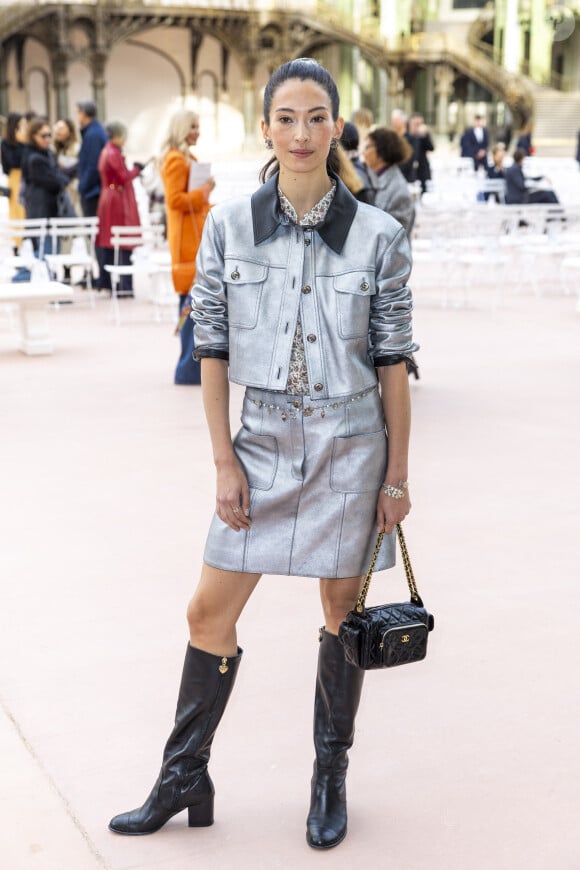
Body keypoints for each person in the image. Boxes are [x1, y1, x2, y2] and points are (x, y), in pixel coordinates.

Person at [108, 57, 416, 851]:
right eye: (287, 117)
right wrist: (223, 460)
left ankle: (328, 774)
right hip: (262, 444)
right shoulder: (229, 224)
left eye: (318, 117)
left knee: (339, 615)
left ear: (337, 126)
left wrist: (397, 476)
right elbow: (209, 342)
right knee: (208, 612)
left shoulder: (379, 235)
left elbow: (393, 362)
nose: (303, 133)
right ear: (269, 126)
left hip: (352, 450)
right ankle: (183, 777)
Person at [159, 108, 214, 385]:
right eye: (192, 126)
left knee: (193, 308)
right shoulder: (175, 160)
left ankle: (190, 369)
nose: (197, 131)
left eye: (197, 126)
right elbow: (174, 201)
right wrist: (202, 192)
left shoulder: (187, 158)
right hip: (186, 245)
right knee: (190, 309)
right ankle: (186, 370)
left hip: (196, 238)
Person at [95, 120, 143, 297]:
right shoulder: (113, 152)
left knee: (110, 240)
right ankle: (124, 285)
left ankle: (110, 282)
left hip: (110, 198)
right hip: (116, 201)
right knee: (121, 240)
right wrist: (137, 170)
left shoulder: (108, 150)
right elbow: (122, 177)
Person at [21, 117, 70, 253]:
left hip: (50, 211)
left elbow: (58, 176)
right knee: (44, 253)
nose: (47, 139)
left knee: (51, 251)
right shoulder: (33, 157)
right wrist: (61, 179)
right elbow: (55, 181)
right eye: (43, 136)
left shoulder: (46, 153)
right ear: (33, 136)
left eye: (49, 135)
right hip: (40, 211)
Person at [361, 127, 415, 237]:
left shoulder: (398, 190)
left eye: (368, 147)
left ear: (381, 151)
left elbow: (393, 237)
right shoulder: (370, 177)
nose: (364, 152)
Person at [76, 100, 107, 218]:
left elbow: (93, 164)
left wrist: (83, 186)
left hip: (93, 191)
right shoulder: (93, 131)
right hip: (93, 189)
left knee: (93, 228)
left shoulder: (93, 134)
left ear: (83, 113)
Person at [1, 112, 28, 226]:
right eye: (22, 125)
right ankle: (19, 241)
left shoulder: (26, 141)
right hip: (15, 178)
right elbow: (11, 163)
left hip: (27, 176)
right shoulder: (7, 143)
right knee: (17, 211)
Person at [53, 118, 80, 215]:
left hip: (74, 190)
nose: (57, 131)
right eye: (56, 127)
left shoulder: (77, 148)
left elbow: (77, 168)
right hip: (61, 190)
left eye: (61, 128)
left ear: (70, 130)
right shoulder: (55, 150)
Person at [404, 113, 434, 195]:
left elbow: (431, 148)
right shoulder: (406, 135)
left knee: (424, 192)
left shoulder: (423, 135)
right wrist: (413, 135)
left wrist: (424, 136)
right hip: (408, 170)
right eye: (416, 124)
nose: (418, 126)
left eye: (420, 124)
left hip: (422, 169)